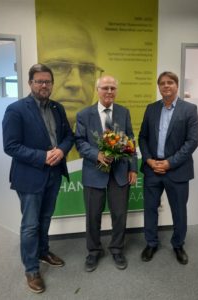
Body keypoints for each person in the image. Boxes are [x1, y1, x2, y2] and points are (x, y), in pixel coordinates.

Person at [2, 64, 75, 293]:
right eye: (39, 81)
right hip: (30, 176)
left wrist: (61, 151)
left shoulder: (57, 107)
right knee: (30, 225)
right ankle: (31, 269)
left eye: (48, 81)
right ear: (30, 83)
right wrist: (43, 156)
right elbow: (11, 146)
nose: (44, 85)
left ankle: (43, 252)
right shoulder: (16, 109)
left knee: (45, 219)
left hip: (54, 174)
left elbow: (68, 137)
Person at [75, 75, 138, 271]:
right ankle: (93, 251)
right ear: (97, 90)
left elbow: (130, 141)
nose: (109, 91)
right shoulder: (84, 114)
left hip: (119, 174)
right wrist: (97, 154)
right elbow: (80, 142)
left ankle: (117, 249)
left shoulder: (123, 112)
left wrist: (133, 168)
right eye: (105, 88)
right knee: (93, 215)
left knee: (119, 215)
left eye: (112, 88)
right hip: (94, 174)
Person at [138, 71, 198, 265]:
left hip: (177, 170)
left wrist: (170, 162)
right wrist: (148, 160)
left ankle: (178, 244)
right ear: (159, 87)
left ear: (176, 85)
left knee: (179, 210)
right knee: (150, 208)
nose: (166, 86)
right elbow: (143, 137)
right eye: (162, 83)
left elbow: (192, 141)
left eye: (170, 82)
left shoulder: (189, 109)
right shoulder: (151, 109)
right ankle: (151, 243)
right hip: (152, 169)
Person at [37, 14, 103, 159]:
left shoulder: (96, 134)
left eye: (86, 70)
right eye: (59, 67)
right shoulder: (20, 114)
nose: (76, 83)